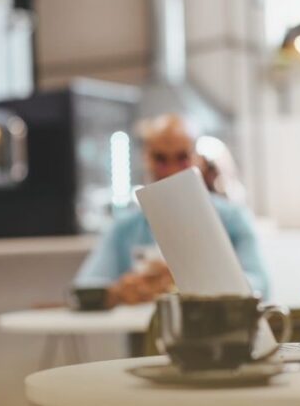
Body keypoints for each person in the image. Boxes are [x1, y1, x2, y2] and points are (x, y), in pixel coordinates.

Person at [75, 114, 270, 303]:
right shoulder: (124, 229)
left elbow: (260, 285)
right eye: (160, 159)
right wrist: (119, 291)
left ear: (198, 159)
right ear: (146, 159)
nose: (171, 169)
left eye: (182, 157)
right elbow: (85, 288)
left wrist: (200, 281)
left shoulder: (233, 220)